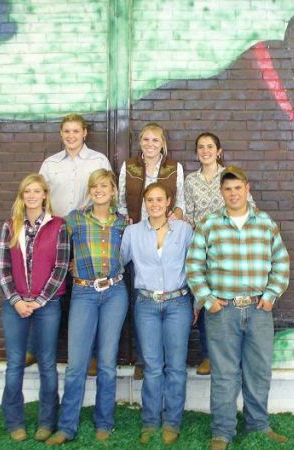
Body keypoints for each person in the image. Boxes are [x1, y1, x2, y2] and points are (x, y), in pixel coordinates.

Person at [186, 166, 290, 450]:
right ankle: (222, 431)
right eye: (228, 189)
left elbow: (280, 262)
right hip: (223, 312)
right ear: (222, 193)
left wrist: (271, 295)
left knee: (258, 371)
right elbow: (194, 266)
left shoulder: (265, 223)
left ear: (247, 188)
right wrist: (209, 300)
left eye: (237, 188)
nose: (233, 193)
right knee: (224, 374)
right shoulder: (209, 224)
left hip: (258, 309)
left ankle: (258, 424)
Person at [24, 113, 111, 373]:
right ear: (61, 134)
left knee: (88, 292)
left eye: (76, 131)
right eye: (66, 131)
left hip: (86, 231)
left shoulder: (98, 160)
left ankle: (92, 355)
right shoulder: (50, 164)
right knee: (45, 286)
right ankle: (34, 348)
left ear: (85, 133)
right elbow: (40, 197)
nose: (71, 136)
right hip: (56, 231)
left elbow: (105, 191)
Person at [46, 169, 128, 445]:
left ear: (113, 190)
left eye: (104, 185)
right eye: (94, 186)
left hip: (115, 293)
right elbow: (53, 243)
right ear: (90, 191)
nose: (99, 190)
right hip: (83, 292)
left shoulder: (122, 223)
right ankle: (67, 426)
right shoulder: (75, 220)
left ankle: (104, 421)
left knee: (107, 361)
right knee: (77, 363)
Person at [0, 173, 70, 442]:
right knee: (15, 363)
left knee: (47, 364)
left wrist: (38, 301)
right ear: (22, 196)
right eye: (27, 191)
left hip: (47, 305)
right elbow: (2, 267)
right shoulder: (10, 226)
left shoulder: (58, 226)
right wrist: (16, 300)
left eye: (37, 191)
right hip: (14, 306)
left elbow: (61, 268)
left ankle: (47, 422)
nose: (32, 196)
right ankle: (14, 421)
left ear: (45, 195)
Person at [120, 182, 194, 445]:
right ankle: (150, 421)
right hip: (146, 305)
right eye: (149, 200)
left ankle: (172, 422)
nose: (154, 205)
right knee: (152, 366)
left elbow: (196, 266)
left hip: (178, 303)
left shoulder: (184, 231)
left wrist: (197, 303)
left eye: (159, 200)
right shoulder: (132, 232)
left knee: (175, 367)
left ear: (169, 201)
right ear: (144, 203)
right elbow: (118, 264)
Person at [184, 132, 256, 375]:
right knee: (206, 300)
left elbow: (250, 208)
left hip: (232, 249)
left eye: (210, 147)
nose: (205, 151)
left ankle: (236, 355)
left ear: (219, 151)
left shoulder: (230, 177)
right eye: (201, 147)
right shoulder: (190, 181)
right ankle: (209, 355)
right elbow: (189, 216)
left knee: (233, 301)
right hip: (204, 249)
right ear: (197, 153)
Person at [118, 122, 185, 380]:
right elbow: (122, 202)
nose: (149, 144)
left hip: (165, 234)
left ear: (163, 143)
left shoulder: (173, 168)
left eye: (155, 140)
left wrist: (176, 217)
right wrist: (128, 223)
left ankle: (166, 360)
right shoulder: (129, 166)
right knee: (142, 296)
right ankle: (144, 359)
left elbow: (180, 202)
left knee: (167, 291)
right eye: (145, 139)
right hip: (139, 235)